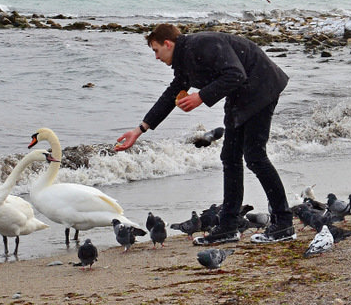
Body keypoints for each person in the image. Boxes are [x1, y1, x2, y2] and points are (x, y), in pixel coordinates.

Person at [115, 23, 294, 245]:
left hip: (262, 85)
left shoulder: (202, 45)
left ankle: (284, 222)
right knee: (229, 157)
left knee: (255, 157)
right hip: (241, 94)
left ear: (168, 44)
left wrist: (201, 96)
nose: (156, 57)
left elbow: (236, 74)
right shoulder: (183, 61)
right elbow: (171, 94)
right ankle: (228, 226)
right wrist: (139, 130)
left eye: (156, 50)